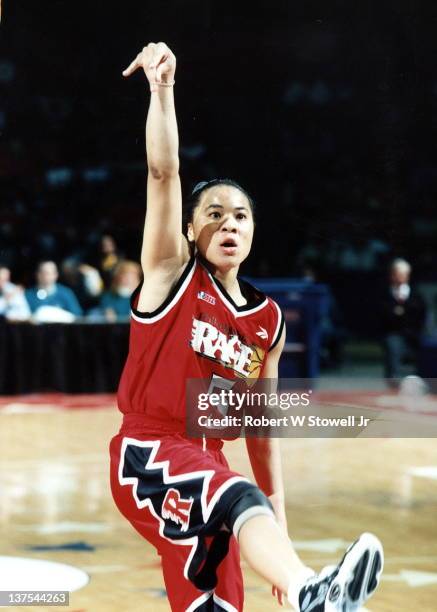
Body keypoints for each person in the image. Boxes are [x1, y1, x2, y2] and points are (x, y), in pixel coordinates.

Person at [109, 42, 383, 612]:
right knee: (237, 496)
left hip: (214, 475)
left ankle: (303, 585)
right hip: (151, 453)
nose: (228, 222)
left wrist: (280, 537)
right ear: (188, 230)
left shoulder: (268, 321)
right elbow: (164, 172)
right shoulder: (170, 274)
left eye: (241, 215)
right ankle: (316, 589)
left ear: (254, 231)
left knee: (219, 607)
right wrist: (163, 90)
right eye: (213, 213)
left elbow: (261, 432)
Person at [380, 258, 426, 385]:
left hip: (414, 333)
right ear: (391, 275)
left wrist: (400, 311)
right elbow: (384, 315)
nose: (399, 277)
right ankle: (393, 381)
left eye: (402, 274)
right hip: (393, 333)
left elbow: (421, 313)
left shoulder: (415, 294)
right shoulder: (385, 294)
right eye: (396, 274)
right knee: (393, 344)